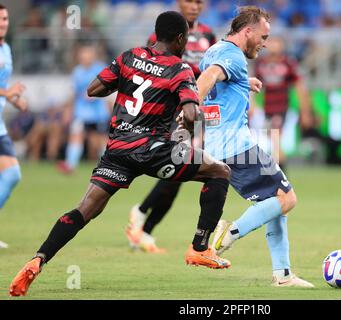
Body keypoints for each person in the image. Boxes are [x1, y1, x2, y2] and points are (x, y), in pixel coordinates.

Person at [9, 11, 231, 297]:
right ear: (179, 38)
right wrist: (191, 125)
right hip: (155, 151)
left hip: (117, 150)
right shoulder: (179, 69)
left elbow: (94, 89)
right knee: (219, 171)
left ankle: (37, 259)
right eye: (185, 40)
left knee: (85, 208)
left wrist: (128, 82)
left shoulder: (129, 57)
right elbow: (190, 112)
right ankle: (200, 247)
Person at [198, 6, 313, 287]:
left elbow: (216, 79)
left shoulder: (214, 49)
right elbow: (209, 77)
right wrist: (189, 105)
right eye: (263, 36)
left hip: (218, 145)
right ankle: (231, 232)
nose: (265, 43)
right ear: (247, 31)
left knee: (274, 201)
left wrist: (241, 82)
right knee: (288, 199)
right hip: (236, 145)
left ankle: (282, 274)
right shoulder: (232, 55)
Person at [127, 0, 217, 254]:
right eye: (189, 1)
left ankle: (143, 226)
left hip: (193, 111)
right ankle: (142, 217)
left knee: (178, 176)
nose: (194, 6)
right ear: (179, 2)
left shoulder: (208, 34)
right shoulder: (161, 34)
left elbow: (211, 72)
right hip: (170, 112)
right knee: (178, 169)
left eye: (199, 2)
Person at [254, 36, 313, 170]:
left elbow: (299, 86)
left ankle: (280, 175)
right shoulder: (261, 63)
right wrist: (252, 105)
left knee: (275, 139)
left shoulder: (288, 63)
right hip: (266, 108)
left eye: (277, 43)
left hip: (281, 108)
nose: (274, 46)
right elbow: (253, 85)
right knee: (274, 141)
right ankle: (280, 175)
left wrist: (305, 111)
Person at [57, 43, 110, 174]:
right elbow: (74, 93)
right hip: (81, 112)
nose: (84, 57)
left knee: (101, 139)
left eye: (86, 54)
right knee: (76, 135)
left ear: (93, 56)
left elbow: (108, 88)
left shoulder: (101, 69)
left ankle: (109, 165)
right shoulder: (77, 72)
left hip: (98, 113)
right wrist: (68, 112)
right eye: (82, 55)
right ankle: (70, 165)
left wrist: (96, 95)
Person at [0, 4, 28, 249]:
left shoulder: (6, 48)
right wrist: (9, 93)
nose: (3, 23)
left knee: (11, 175)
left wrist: (14, 99)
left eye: (5, 18)